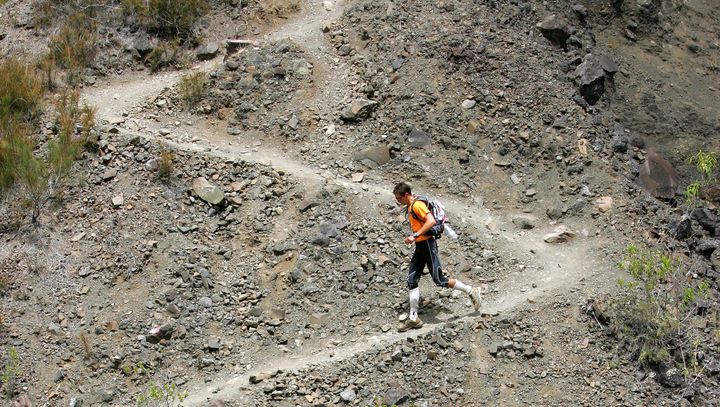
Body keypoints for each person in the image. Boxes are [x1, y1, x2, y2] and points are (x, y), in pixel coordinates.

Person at [393, 182, 481, 332]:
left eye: (399, 198)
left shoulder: (417, 206)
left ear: (406, 195)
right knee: (412, 280)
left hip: (427, 244)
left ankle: (471, 290)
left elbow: (431, 221)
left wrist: (415, 235)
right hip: (420, 247)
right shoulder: (410, 206)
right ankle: (413, 318)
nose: (397, 201)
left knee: (439, 280)